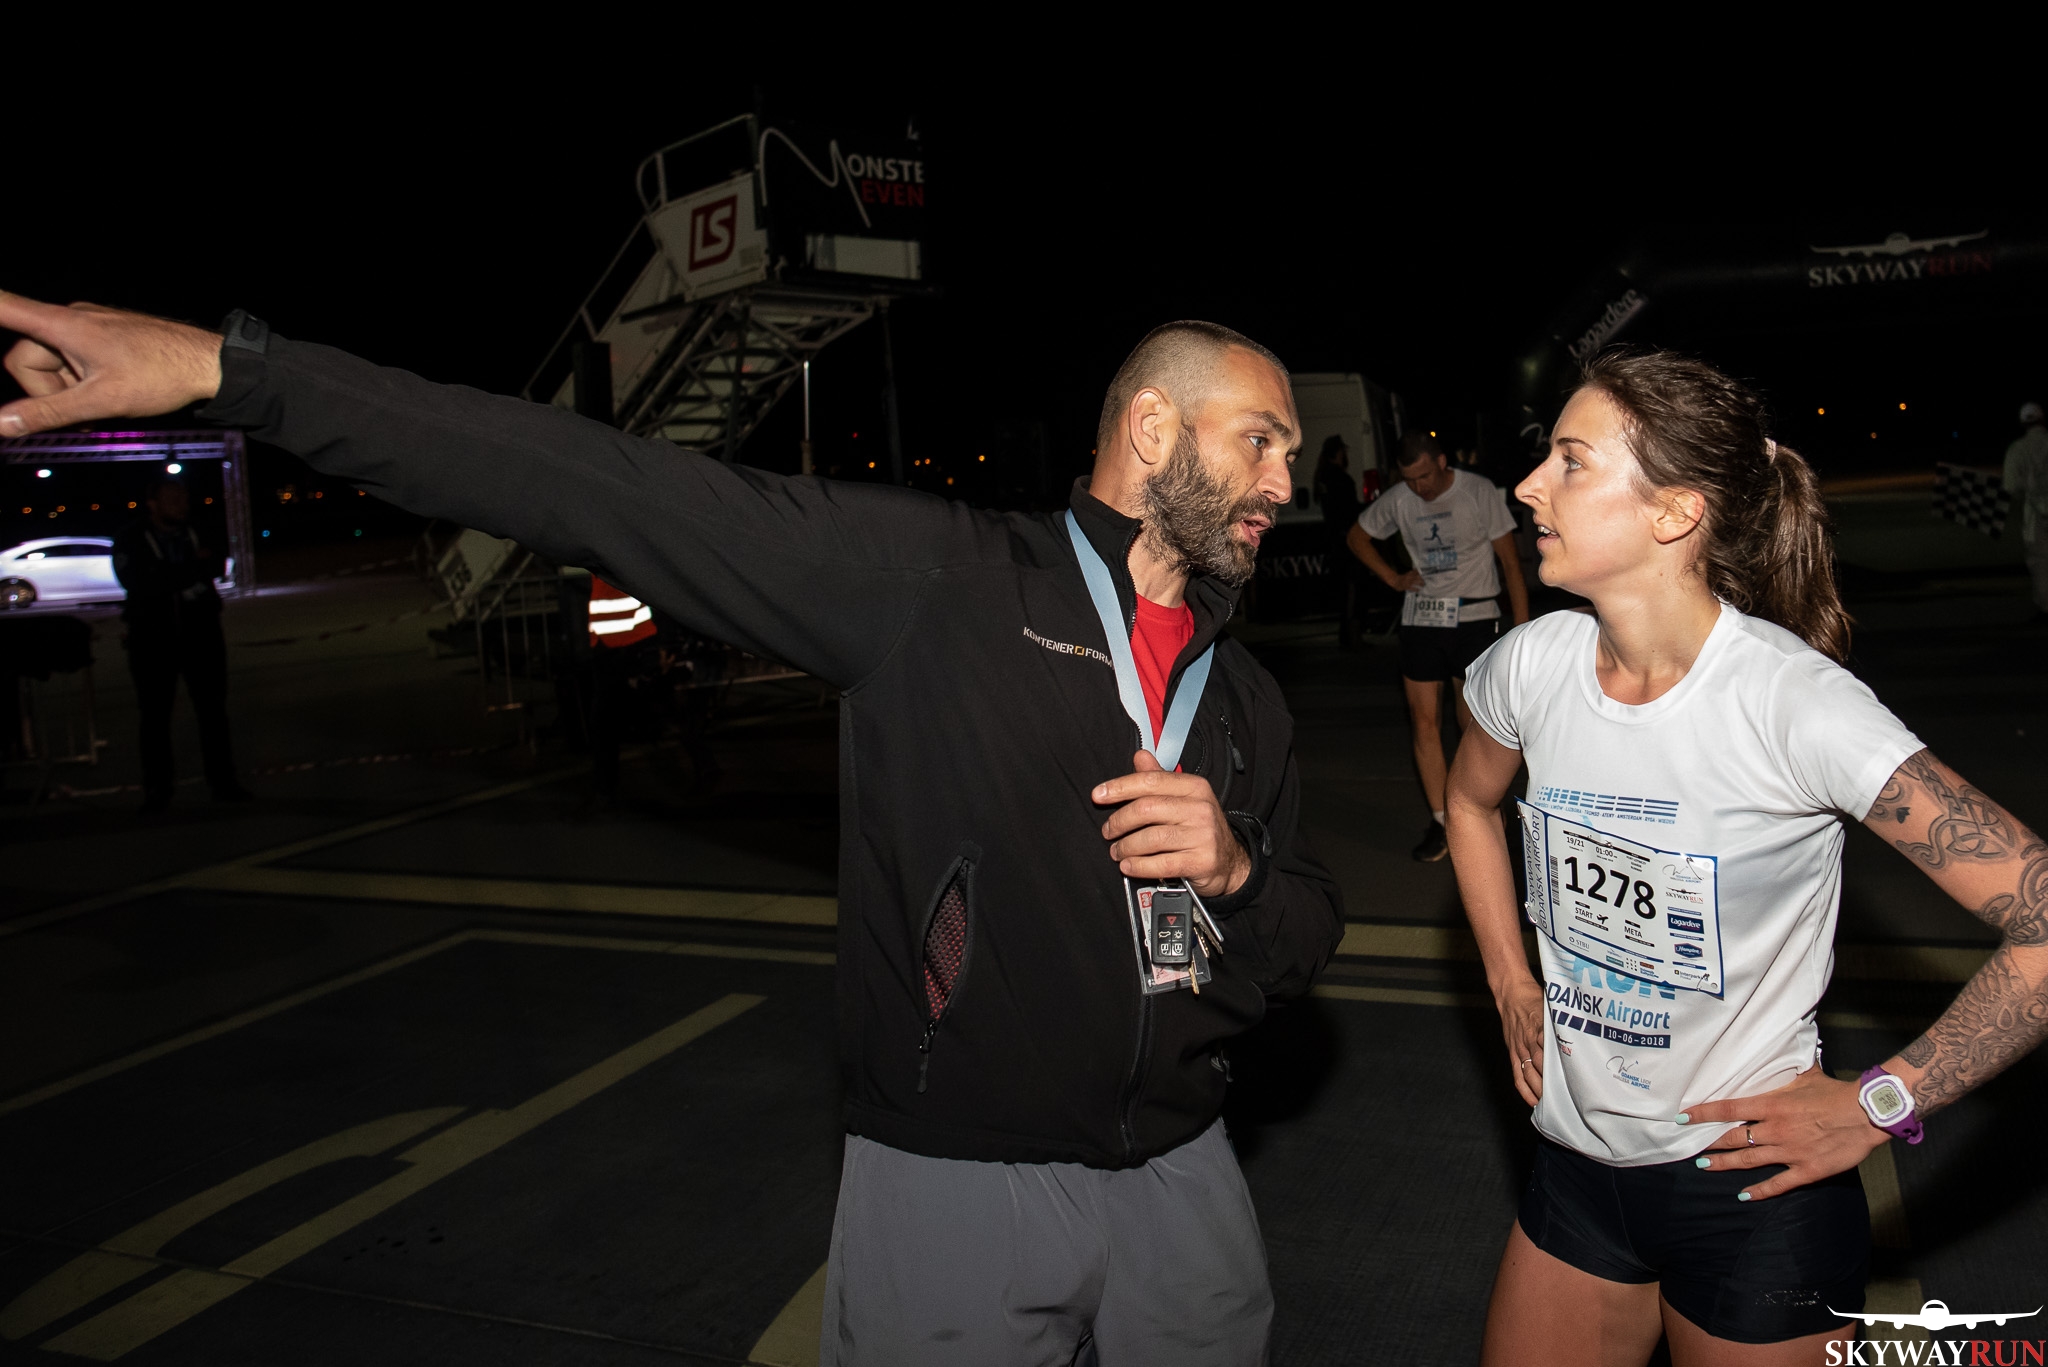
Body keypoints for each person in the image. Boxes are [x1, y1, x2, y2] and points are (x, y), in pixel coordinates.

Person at [0, 297, 1345, 1367]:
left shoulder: (1248, 700)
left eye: (1286, 451)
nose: (1284, 479)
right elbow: (592, 483)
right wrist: (233, 372)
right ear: (1152, 427)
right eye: (1261, 439)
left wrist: (1236, 870)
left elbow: (1301, 940)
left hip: (1187, 1179)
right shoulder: (940, 583)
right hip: (961, 1185)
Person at [1446, 348, 2048, 1365]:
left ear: (1673, 513)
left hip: (1752, 1195)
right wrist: (1509, 980)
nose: (1529, 485)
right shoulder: (1529, 666)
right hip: (1574, 1169)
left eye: (1571, 460)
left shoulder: (1793, 705)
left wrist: (1878, 1104)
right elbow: (1467, 803)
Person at [1346, 431, 1529, 861]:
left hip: (1475, 618)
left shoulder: (1477, 491)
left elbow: (1510, 563)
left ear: (1442, 462)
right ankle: (1442, 820)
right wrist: (1393, 578)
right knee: (1423, 721)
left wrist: (1523, 634)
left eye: (1425, 476)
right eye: (1410, 479)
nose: (1419, 487)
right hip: (1422, 618)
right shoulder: (1399, 499)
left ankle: (1483, 812)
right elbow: (1356, 537)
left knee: (1474, 725)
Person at [109, 474, 249, 811]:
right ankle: (158, 788)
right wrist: (191, 568)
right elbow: (139, 581)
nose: (181, 505)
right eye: (172, 500)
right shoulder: (131, 538)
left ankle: (223, 782)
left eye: (183, 498)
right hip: (151, 639)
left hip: (202, 635)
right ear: (152, 504)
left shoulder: (200, 529)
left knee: (213, 710)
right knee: (154, 715)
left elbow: (215, 565)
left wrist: (173, 573)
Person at [1312, 434, 1365, 647]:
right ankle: (1353, 636)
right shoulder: (1341, 479)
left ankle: (1347, 635)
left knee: (1345, 590)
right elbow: (1349, 511)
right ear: (1338, 453)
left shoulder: (1323, 478)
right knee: (1353, 588)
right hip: (1348, 542)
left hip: (1335, 541)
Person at [2001, 400, 2048, 617]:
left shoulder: (2017, 449)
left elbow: (2010, 486)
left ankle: (2045, 605)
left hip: (2035, 515)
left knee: (2039, 560)